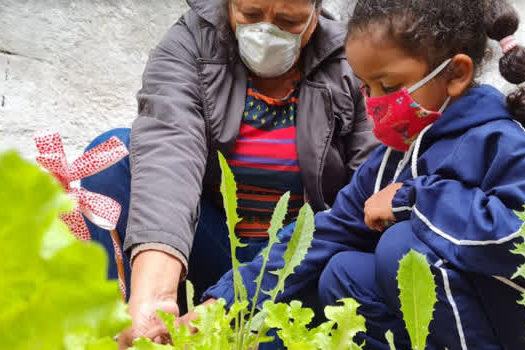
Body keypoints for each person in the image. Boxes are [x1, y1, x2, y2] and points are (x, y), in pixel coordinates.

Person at [199, 0, 525, 348]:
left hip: (506, 319)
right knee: (342, 274)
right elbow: (325, 234)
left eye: (388, 85)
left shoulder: (500, 141)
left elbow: (516, 238)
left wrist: (411, 200)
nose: (373, 103)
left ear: (456, 74)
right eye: (366, 88)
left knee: (401, 249)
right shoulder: (395, 156)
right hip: (455, 315)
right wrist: (222, 303)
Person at [81, 0, 378, 347]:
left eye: (288, 20)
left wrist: (238, 296)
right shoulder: (191, 41)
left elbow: (369, 187)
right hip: (213, 247)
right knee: (113, 153)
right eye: (250, 15)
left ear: (315, 16)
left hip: (296, 262)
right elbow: (169, 149)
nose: (266, 32)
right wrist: (155, 294)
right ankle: (139, 323)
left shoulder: (353, 58)